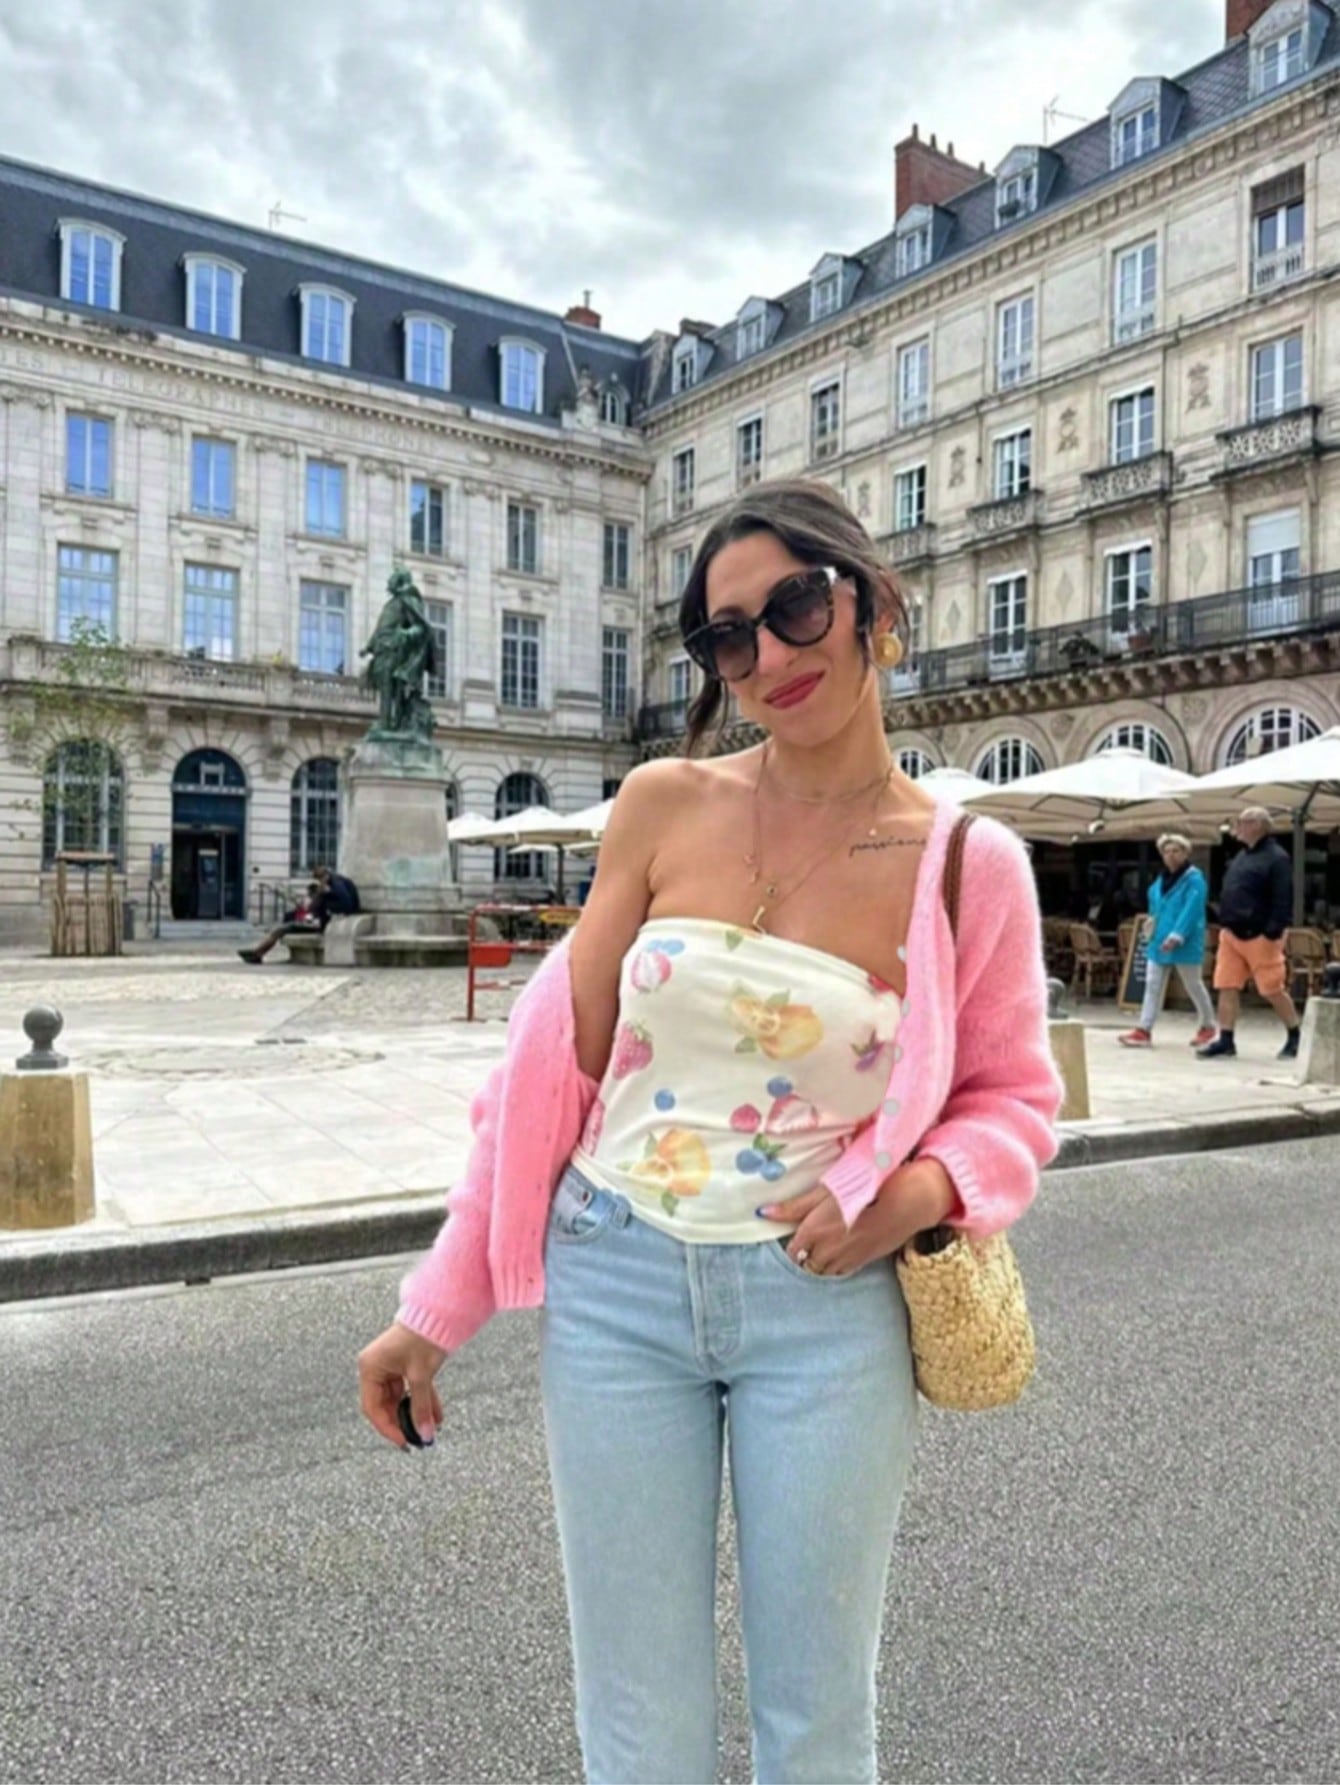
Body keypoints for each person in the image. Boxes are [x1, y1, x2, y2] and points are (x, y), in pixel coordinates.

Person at [357, 479, 1062, 1784]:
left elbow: (1013, 1100)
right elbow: (545, 1083)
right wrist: (437, 1308)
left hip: (825, 1304)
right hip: (613, 1276)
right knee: (636, 1718)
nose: (767, 655)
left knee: (817, 1713)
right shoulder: (660, 804)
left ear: (873, 603)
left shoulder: (968, 865)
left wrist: (904, 1198)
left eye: (794, 607)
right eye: (725, 637)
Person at [1198, 807, 1299, 1060]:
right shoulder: (1242, 856)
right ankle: (1226, 1039)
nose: (1237, 827)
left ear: (1256, 825)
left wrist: (1272, 931)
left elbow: (1283, 896)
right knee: (1226, 985)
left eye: (1241, 822)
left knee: (1271, 989)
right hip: (1232, 933)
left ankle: (1295, 1035)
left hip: (1259, 933)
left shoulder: (1277, 857)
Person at [1118, 834, 1216, 1047]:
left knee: (1193, 985)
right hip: (1158, 939)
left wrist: (1177, 935)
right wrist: (1150, 923)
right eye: (1166, 852)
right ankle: (1144, 1029)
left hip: (1185, 941)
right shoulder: (1160, 880)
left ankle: (1208, 1025)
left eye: (1176, 851)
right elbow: (1156, 906)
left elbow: (1192, 910)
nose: (1171, 856)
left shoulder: (1195, 880)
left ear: (1186, 853)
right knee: (1152, 984)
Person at [238, 865, 360, 964]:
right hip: (320, 921)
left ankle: (258, 953)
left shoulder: (335, 885)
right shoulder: (334, 885)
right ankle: (257, 952)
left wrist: (326, 895)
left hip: (322, 924)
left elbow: (346, 904)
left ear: (325, 876)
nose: (320, 882)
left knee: (281, 929)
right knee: (282, 928)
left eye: (320, 879)